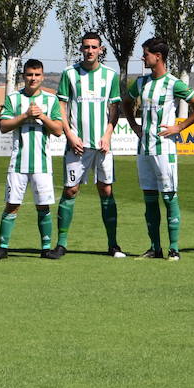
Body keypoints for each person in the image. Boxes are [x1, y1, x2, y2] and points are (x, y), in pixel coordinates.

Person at [122, 37, 194, 261]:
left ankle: (174, 249)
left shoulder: (173, 83)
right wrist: (133, 125)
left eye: (146, 54)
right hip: (144, 149)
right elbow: (126, 102)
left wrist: (179, 127)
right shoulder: (141, 83)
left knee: (169, 197)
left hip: (165, 150)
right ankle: (154, 247)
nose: (143, 58)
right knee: (149, 198)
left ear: (157, 56)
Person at [48, 32, 124, 259]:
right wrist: (69, 135)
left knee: (106, 190)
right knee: (70, 190)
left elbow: (114, 111)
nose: (90, 51)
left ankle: (113, 244)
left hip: (102, 146)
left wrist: (108, 135)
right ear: (80, 49)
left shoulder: (110, 76)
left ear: (101, 50)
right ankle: (61, 244)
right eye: (86, 47)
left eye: (94, 47)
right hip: (77, 145)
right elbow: (61, 107)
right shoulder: (69, 74)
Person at [0, 59, 64, 259]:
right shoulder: (13, 99)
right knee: (12, 204)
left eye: (37, 75)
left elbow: (58, 130)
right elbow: (4, 126)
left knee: (43, 206)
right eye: (29, 75)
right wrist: (24, 116)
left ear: (43, 76)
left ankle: (46, 249)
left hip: (42, 163)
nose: (33, 78)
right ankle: (3, 248)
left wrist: (42, 116)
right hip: (18, 162)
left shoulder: (51, 100)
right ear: (23, 76)